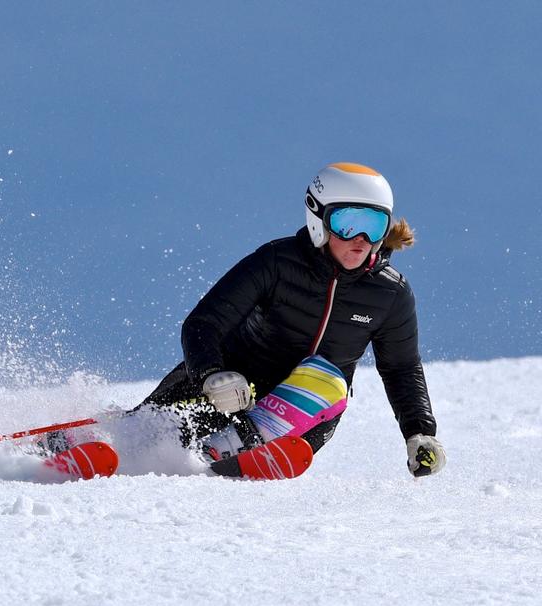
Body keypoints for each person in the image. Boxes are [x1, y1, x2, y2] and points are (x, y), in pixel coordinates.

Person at [141, 162, 446, 477]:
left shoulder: (389, 292)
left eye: (374, 224)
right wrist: (211, 374)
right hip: (228, 390)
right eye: (347, 223)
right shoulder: (277, 262)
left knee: (326, 378)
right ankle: (124, 441)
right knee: (154, 429)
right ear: (319, 219)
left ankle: (239, 446)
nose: (361, 238)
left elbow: (401, 368)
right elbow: (204, 323)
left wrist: (419, 431)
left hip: (302, 418)